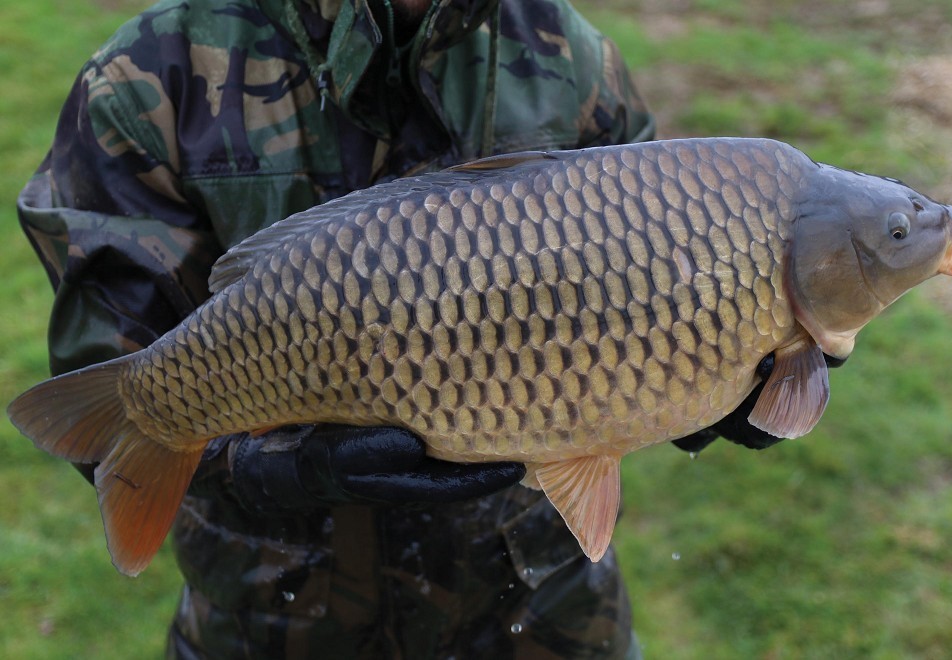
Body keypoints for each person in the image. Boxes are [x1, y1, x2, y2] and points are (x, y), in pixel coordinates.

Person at [16, 0, 798, 657]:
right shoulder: (151, 79)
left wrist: (720, 365)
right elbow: (110, 362)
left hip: (539, 602)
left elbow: (675, 264)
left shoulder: (565, 53)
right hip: (273, 615)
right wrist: (276, 468)